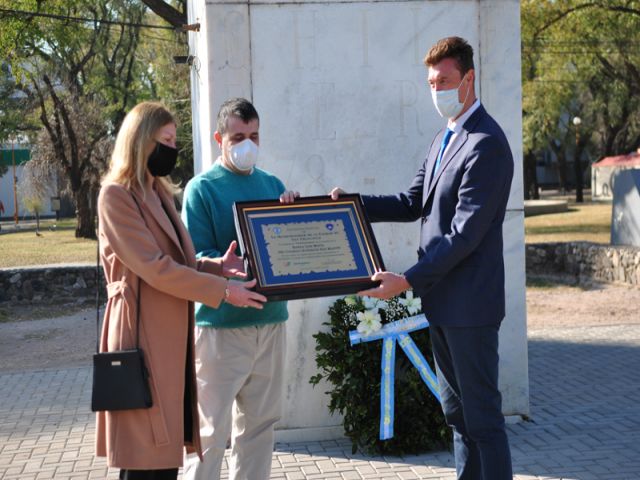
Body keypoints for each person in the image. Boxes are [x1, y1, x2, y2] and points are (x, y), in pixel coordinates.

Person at [331, 36, 514, 480]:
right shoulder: (444, 139)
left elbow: (463, 237)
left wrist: (406, 281)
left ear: (469, 80)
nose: (437, 91)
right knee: (457, 417)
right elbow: (411, 201)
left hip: (470, 307)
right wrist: (350, 205)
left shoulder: (485, 143)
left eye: (445, 81)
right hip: (443, 302)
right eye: (431, 82)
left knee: (483, 421)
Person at [96, 101, 266, 480]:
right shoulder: (116, 196)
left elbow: (177, 258)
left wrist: (216, 266)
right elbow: (155, 267)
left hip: (169, 334)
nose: (173, 149)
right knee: (143, 455)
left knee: (164, 454)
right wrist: (224, 290)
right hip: (140, 334)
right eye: (167, 140)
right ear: (142, 140)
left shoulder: (156, 191)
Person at [181, 97, 298, 480]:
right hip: (221, 327)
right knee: (210, 433)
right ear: (219, 138)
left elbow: (291, 253)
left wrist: (295, 214)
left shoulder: (273, 184)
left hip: (271, 320)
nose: (247, 143)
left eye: (254, 135)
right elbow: (195, 257)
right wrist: (230, 268)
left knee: (260, 429)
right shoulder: (201, 189)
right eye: (238, 136)